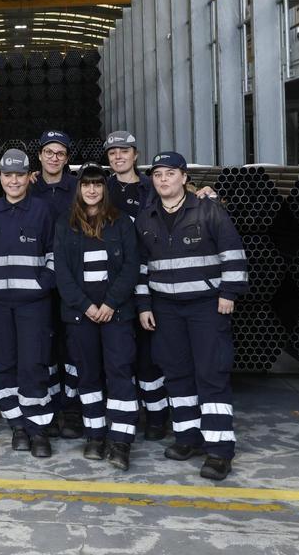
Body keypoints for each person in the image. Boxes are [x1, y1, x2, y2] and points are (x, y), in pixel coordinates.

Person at [136, 151, 247, 481]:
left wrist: (228, 294)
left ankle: (219, 450)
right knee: (177, 373)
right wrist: (144, 306)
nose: (164, 180)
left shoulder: (209, 211)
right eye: (158, 175)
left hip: (205, 307)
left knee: (211, 374)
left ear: (184, 177)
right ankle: (188, 438)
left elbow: (234, 256)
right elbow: (141, 269)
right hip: (165, 310)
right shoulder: (147, 218)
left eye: (170, 173)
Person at [0, 148, 57, 458]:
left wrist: (43, 283)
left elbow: (54, 253)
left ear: (28, 177)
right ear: (0, 177)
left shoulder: (41, 211)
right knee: (4, 365)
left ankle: (38, 428)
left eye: (19, 175)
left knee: (33, 364)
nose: (14, 181)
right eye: (8, 175)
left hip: (33, 304)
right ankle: (17, 425)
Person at [53, 163, 141, 471]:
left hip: (115, 315)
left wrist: (111, 303)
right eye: (86, 184)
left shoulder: (121, 223)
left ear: (105, 189)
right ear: (78, 189)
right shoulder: (66, 223)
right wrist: (86, 306)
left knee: (119, 374)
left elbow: (132, 266)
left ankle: (121, 440)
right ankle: (95, 435)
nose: (92, 190)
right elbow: (61, 272)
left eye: (98, 184)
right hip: (81, 316)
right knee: (88, 375)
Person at [104, 131, 168, 441]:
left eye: (124, 151)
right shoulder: (101, 189)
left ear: (135, 154)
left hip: (148, 279)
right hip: (111, 283)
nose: (118, 157)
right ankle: (122, 414)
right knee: (118, 355)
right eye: (113, 153)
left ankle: (156, 416)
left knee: (149, 354)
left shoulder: (151, 187)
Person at [29, 129, 83, 440]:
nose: (54, 157)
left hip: (73, 281)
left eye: (60, 153)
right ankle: (47, 409)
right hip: (39, 282)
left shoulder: (78, 189)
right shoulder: (28, 186)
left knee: (72, 347)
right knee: (44, 348)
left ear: (67, 158)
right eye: (48, 152)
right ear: (39, 156)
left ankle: (72, 411)